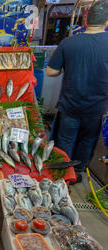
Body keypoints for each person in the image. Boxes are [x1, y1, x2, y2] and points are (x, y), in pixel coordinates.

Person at [46, 0, 108, 184]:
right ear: (106, 22)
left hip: (70, 105)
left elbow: (51, 71)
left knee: (65, 140)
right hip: (96, 107)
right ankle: (78, 173)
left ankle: (62, 176)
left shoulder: (69, 43)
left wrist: (68, 67)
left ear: (86, 21)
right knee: (87, 141)